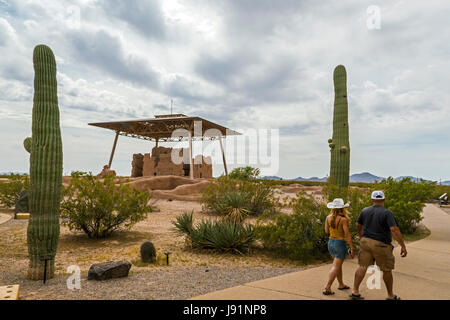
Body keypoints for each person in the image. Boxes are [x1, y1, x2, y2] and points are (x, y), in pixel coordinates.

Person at [350, 190, 407, 300]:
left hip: (365, 242)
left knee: (362, 266)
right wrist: (403, 245)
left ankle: (355, 291)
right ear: (384, 200)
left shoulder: (364, 210)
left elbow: (358, 224)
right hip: (381, 244)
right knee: (386, 269)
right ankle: (390, 295)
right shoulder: (387, 213)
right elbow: (394, 229)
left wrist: (361, 235)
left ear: (372, 200)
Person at [323, 198, 354, 295]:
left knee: (337, 265)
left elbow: (326, 231)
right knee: (336, 266)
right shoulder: (343, 219)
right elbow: (347, 234)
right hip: (339, 244)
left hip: (330, 242)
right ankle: (327, 287)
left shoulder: (328, 217)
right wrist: (351, 247)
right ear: (342, 208)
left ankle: (341, 284)